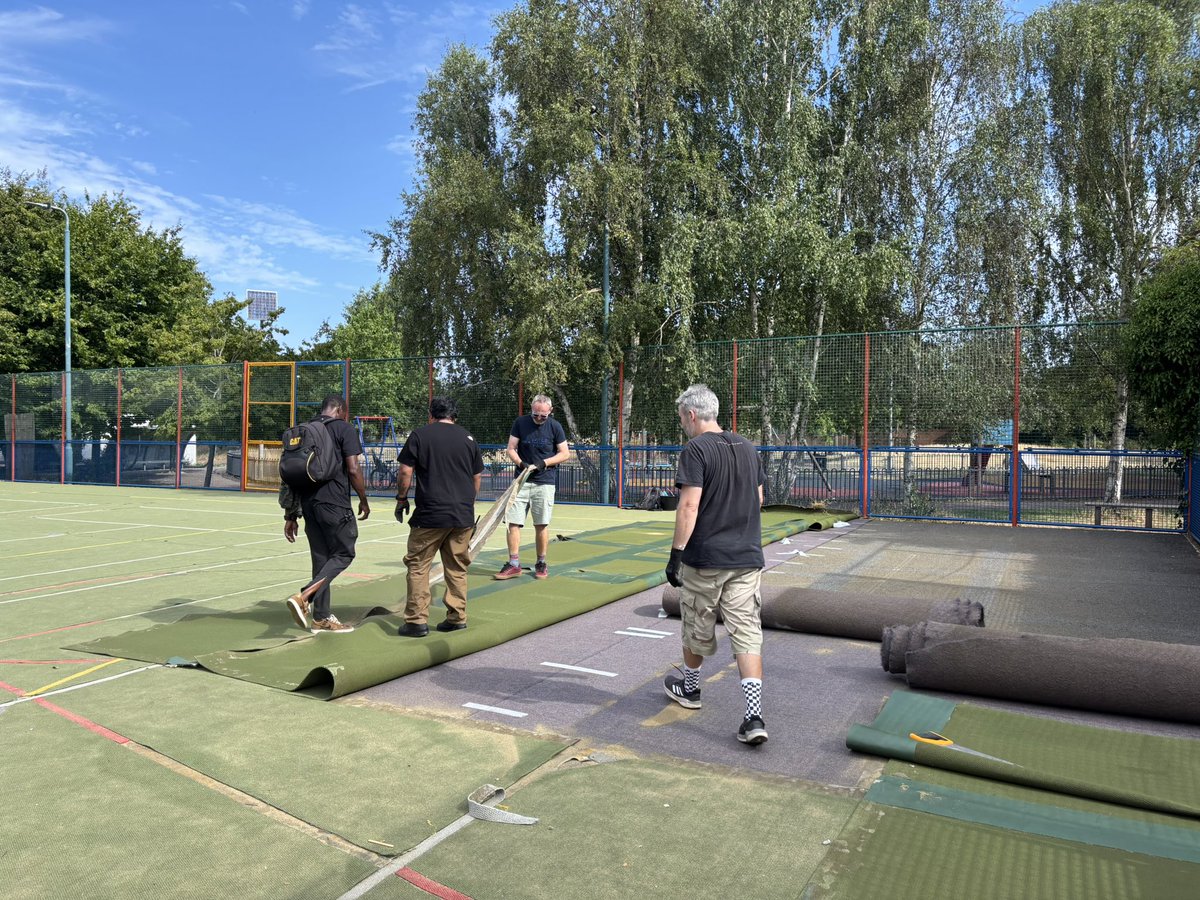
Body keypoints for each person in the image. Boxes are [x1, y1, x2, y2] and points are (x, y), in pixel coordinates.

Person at [662, 384, 769, 745]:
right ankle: (753, 715)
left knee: (697, 624)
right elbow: (758, 498)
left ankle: (691, 689)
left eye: (682, 418)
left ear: (692, 415)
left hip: (707, 558)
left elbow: (689, 506)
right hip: (747, 557)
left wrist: (676, 554)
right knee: (746, 632)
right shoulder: (748, 447)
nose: (683, 425)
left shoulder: (695, 449)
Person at [394, 397, 484, 637]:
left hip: (430, 514)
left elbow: (405, 470)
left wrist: (401, 498)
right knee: (457, 567)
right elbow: (477, 477)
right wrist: (467, 504)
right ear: (454, 416)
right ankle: (457, 617)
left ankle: (416, 621)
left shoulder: (420, 435)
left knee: (418, 565)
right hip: (462, 515)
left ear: (431, 414)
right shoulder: (468, 438)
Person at [282, 395, 371, 634]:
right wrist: (363, 499)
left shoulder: (304, 431)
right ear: (340, 410)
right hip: (335, 504)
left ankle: (321, 618)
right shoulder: (344, 429)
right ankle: (304, 597)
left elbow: (290, 477)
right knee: (344, 553)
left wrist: (291, 515)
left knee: (321, 560)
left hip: (309, 505)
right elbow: (353, 468)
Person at [494, 394, 571, 580]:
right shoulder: (520, 423)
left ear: (550, 411)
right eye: (535, 414)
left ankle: (541, 563)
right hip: (521, 481)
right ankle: (514, 564)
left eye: (543, 415)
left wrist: (544, 463)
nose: (538, 418)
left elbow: (565, 453)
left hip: (544, 482)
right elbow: (511, 448)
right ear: (531, 409)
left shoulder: (555, 427)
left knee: (541, 524)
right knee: (513, 522)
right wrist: (521, 464)